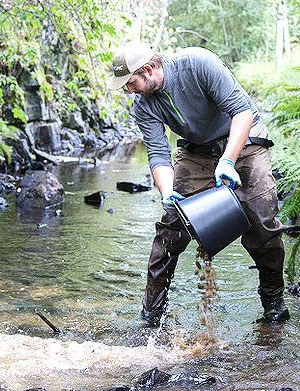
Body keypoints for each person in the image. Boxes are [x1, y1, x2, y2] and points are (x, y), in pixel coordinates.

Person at [106, 43, 289, 325]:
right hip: (196, 153)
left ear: (148, 69)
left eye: (131, 83)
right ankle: (151, 314)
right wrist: (167, 191)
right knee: (170, 230)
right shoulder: (143, 106)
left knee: (263, 224)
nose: (129, 90)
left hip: (246, 140)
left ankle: (273, 302)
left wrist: (228, 161)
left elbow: (242, 112)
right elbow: (157, 153)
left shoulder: (197, 63)